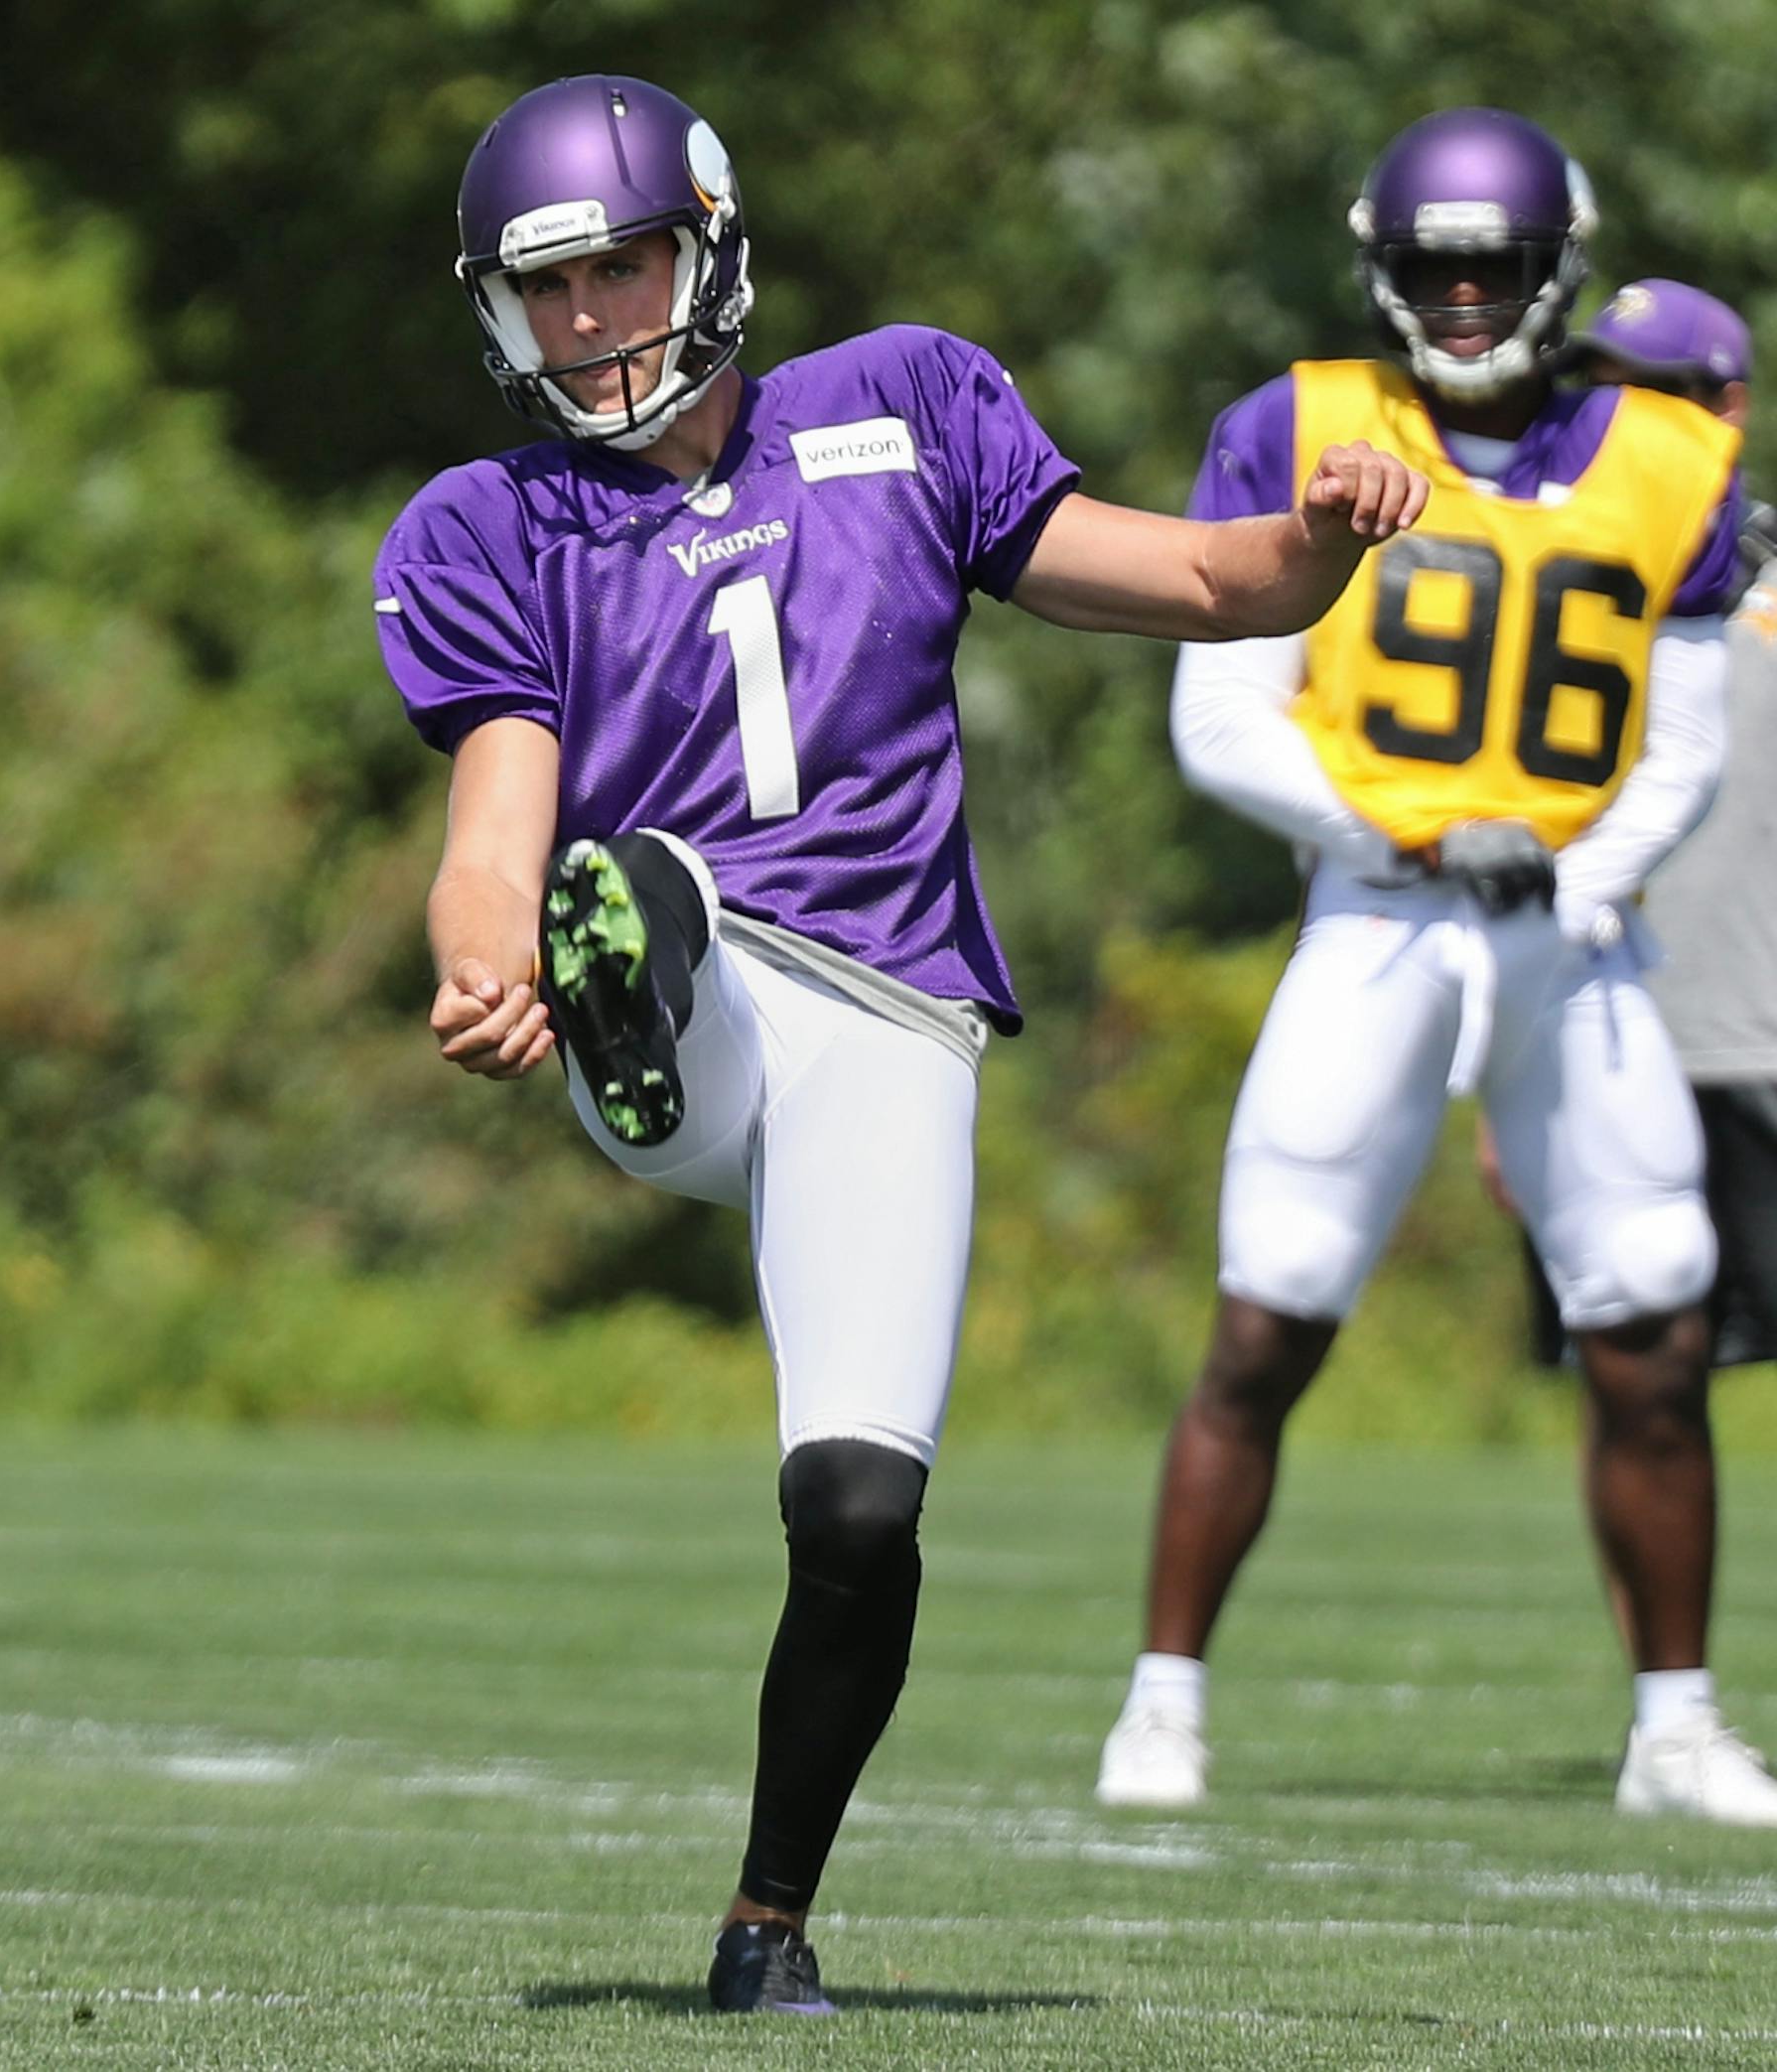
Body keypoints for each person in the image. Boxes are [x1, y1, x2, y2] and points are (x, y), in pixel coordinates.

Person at [373, 73, 1425, 2014]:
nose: (594, 315)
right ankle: (632, 980)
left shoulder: (907, 405)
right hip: (691, 1006)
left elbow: (1202, 582)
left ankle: (767, 1923)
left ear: (707, 244)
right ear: (501, 313)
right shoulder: (487, 526)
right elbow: (488, 840)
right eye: (554, 287)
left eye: (623, 267)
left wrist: (1325, 538)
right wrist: (483, 962)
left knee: (856, 1507)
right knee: (651, 909)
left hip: (892, 1008)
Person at [1093, 109, 1777, 1826]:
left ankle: (1676, 1726)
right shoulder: (1304, 427)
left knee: (1654, 1326)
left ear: (1562, 267)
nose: (1466, 296)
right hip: (1379, 917)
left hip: (1571, 929)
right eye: (1436, 265)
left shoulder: (1668, 460)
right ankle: (1162, 1704)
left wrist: (1572, 868)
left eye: (1497, 265)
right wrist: (1401, 838)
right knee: (1270, 1319)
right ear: (1383, 265)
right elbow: (1219, 713)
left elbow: (1681, 746)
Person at [1477, 282, 1777, 1642]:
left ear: (1730, 408)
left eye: (1653, 392)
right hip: (1608, 1029)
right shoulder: (1546, 563)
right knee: (1630, 1378)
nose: (1618, 418)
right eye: (1599, 388)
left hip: (1764, 1039)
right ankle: (1673, 1702)